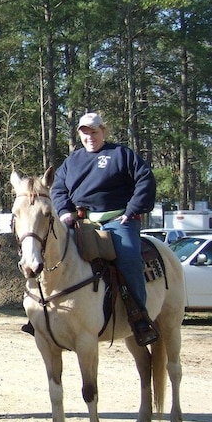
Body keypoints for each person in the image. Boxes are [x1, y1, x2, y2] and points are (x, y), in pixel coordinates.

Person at [49, 112, 159, 347]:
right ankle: (45, 313)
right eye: (85, 132)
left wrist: (132, 209)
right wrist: (64, 211)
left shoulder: (121, 154)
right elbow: (58, 189)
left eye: (94, 132)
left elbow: (145, 179)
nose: (90, 137)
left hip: (119, 221)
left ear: (103, 131)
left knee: (129, 257)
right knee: (53, 254)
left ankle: (139, 316)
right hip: (82, 222)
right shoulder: (72, 161)